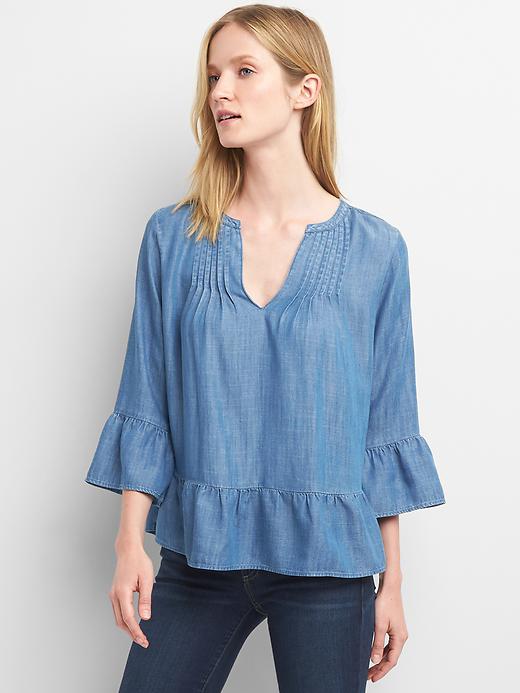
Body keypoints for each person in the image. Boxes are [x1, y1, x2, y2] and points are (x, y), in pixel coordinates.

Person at [84, 5, 446, 692]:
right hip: (198, 557)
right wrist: (129, 540)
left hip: (330, 566)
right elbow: (146, 396)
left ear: (305, 90)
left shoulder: (376, 250)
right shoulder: (173, 238)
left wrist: (393, 580)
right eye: (213, 76)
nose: (220, 92)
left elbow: (385, 424)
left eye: (244, 71)